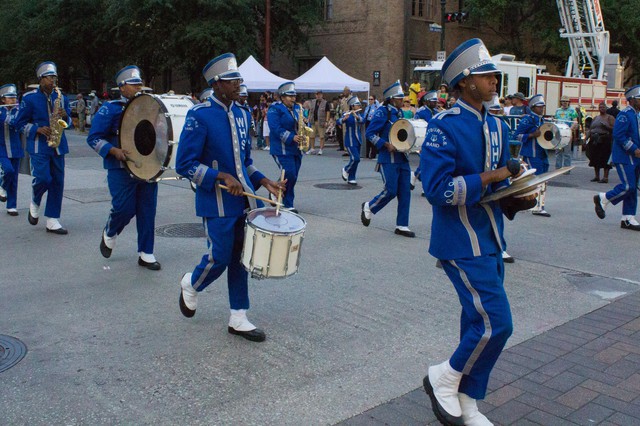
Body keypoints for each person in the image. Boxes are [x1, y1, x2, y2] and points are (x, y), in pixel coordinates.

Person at [420, 38, 535, 426]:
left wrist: (519, 198)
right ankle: (445, 376)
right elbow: (438, 191)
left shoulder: (499, 126)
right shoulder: (443, 127)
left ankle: (468, 401)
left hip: (491, 238)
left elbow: (499, 192)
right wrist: (495, 175)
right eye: (486, 75)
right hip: (458, 241)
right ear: (464, 82)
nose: (494, 81)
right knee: (496, 323)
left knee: (476, 321)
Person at [175, 53, 286, 342]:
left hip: (244, 202)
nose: (239, 83)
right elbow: (184, 164)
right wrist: (219, 177)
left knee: (241, 259)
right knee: (220, 256)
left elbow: (245, 161)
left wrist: (264, 181)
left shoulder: (242, 113)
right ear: (217, 84)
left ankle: (239, 316)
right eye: (232, 79)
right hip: (216, 201)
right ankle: (191, 282)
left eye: (238, 78)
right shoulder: (199, 115)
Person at [86, 65, 162, 270]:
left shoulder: (148, 106)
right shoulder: (110, 108)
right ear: (122, 87)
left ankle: (146, 252)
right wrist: (113, 151)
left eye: (139, 83)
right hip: (120, 167)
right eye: (134, 84)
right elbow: (93, 138)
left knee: (148, 210)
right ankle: (110, 231)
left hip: (147, 166)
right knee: (124, 209)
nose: (139, 87)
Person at [14, 61, 71, 234]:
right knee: (43, 178)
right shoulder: (29, 98)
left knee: (58, 182)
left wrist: (65, 115)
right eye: (49, 77)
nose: (53, 81)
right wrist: (37, 129)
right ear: (41, 79)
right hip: (39, 145)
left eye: (54, 77)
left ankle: (53, 220)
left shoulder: (61, 97)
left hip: (58, 145)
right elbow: (18, 123)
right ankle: (35, 200)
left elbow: (67, 123)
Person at [361, 80, 414, 238]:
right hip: (388, 157)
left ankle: (402, 225)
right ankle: (369, 206)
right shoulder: (382, 112)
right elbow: (369, 133)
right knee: (391, 190)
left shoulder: (399, 113)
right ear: (391, 98)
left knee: (405, 191)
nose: (402, 100)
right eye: (399, 98)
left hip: (401, 157)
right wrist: (384, 144)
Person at [594, 85, 640, 231]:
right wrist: (633, 148)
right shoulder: (625, 114)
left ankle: (628, 217)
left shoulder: (636, 114)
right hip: (625, 157)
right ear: (632, 100)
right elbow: (619, 135)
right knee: (628, 186)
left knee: (632, 189)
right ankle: (604, 198)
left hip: (635, 158)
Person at [267, 81, 304, 211]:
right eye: (290, 96)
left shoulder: (297, 108)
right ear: (282, 97)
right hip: (281, 148)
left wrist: (305, 127)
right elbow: (275, 128)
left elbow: (302, 123)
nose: (293, 99)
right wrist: (291, 137)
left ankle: (275, 189)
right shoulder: (275, 108)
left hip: (295, 148)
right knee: (290, 173)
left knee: (292, 176)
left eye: (294, 96)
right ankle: (288, 204)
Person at [516, 94, 551, 217]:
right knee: (537, 179)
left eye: (543, 107)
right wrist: (531, 135)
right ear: (533, 107)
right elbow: (517, 135)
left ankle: (539, 204)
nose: (542, 109)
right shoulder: (528, 119)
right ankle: (536, 206)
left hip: (542, 153)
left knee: (544, 179)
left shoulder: (542, 120)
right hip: (531, 153)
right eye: (539, 107)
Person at [0, 84, 24, 216]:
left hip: (16, 148)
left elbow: (18, 124)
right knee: (8, 170)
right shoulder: (1, 111)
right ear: (3, 100)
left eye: (14, 97)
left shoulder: (18, 111)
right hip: (2, 148)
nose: (12, 100)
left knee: (14, 178)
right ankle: (2, 186)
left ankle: (12, 205)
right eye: (9, 98)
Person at [337, 95, 363, 185]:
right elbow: (338, 121)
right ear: (352, 106)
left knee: (357, 159)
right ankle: (346, 169)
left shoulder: (358, 114)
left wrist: (356, 116)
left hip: (358, 139)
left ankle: (352, 177)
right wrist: (344, 119)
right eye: (357, 105)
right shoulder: (346, 113)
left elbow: (362, 121)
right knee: (355, 158)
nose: (359, 106)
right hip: (350, 140)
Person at [586, 102, 614, 183]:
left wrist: (606, 126)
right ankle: (597, 176)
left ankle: (605, 177)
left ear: (606, 108)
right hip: (595, 140)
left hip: (605, 139)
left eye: (603, 107)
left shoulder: (610, 117)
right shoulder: (595, 118)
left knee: (605, 158)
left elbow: (614, 128)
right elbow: (590, 129)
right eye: (600, 107)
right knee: (594, 158)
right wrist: (585, 139)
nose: (601, 108)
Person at [554, 95, 577, 170]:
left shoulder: (572, 111)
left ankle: (566, 169)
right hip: (558, 133)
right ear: (561, 102)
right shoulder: (558, 110)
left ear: (569, 102)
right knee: (558, 151)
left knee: (567, 152)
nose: (565, 103)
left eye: (566, 101)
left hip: (567, 133)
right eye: (563, 101)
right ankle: (558, 168)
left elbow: (575, 122)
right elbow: (555, 120)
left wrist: (570, 130)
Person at [306, 90, 331, 155]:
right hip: (313, 121)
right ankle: (312, 148)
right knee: (312, 136)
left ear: (322, 95)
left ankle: (321, 149)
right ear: (315, 95)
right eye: (317, 94)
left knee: (322, 136)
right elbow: (310, 111)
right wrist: (308, 118)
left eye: (319, 94)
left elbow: (328, 112)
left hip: (321, 121)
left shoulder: (325, 103)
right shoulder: (313, 102)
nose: (318, 96)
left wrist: (327, 121)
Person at [363, 94, 380, 159]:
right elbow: (365, 115)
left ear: (374, 100)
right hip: (367, 122)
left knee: (372, 138)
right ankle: (367, 153)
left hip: (373, 123)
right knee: (367, 138)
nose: (370, 100)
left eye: (371, 99)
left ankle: (373, 154)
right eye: (369, 99)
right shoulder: (367, 107)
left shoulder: (376, 107)